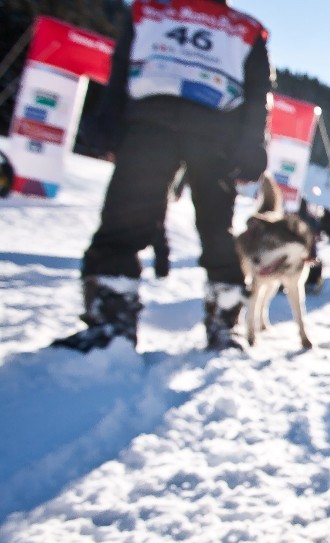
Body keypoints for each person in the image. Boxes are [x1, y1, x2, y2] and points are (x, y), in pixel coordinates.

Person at [54, 0, 274, 353]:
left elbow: (257, 94)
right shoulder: (149, 10)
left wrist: (251, 145)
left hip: (215, 134)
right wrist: (109, 118)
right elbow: (122, 66)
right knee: (124, 218)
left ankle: (223, 324)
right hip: (149, 125)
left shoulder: (245, 29)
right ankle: (112, 320)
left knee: (216, 229)